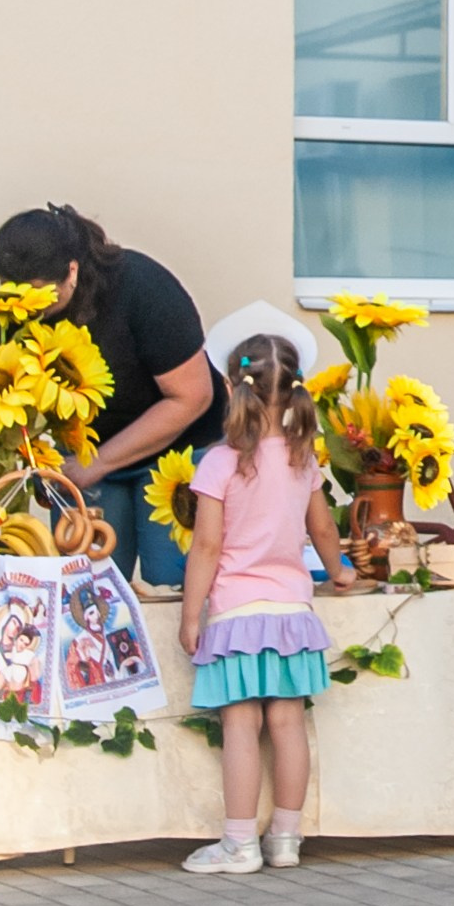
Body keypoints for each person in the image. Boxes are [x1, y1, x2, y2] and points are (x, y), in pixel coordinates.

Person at [178, 332, 354, 877]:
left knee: (240, 726)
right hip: (291, 614)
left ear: (234, 386)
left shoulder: (221, 462)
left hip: (236, 613)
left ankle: (238, 844)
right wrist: (342, 570)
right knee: (287, 723)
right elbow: (322, 526)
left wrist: (190, 614)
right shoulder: (304, 460)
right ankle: (285, 837)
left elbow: (206, 545)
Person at [0, 205, 223, 593]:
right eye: (14, 293)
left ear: (73, 270)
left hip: (177, 450)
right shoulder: (14, 307)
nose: (24, 307)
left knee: (169, 585)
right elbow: (4, 402)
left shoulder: (143, 287)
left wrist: (96, 464)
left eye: (36, 295)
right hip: (86, 454)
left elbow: (192, 397)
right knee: (87, 588)